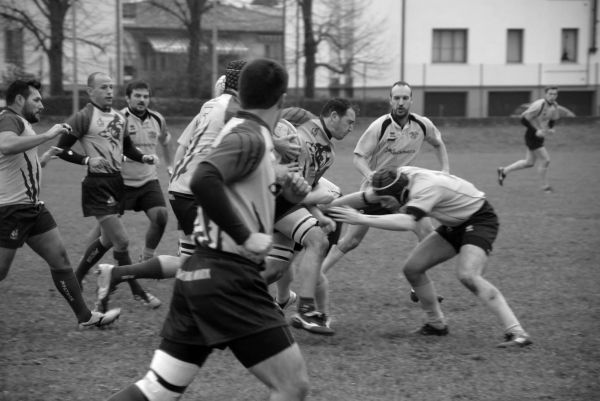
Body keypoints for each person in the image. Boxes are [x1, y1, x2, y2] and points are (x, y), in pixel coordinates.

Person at [105, 58, 311, 401]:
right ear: (282, 100)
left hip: (197, 273)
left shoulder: (241, 130)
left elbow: (240, 190)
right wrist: (246, 236)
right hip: (227, 277)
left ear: (239, 93)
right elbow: (204, 178)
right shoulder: (250, 137)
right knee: (292, 385)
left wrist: (284, 188)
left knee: (158, 390)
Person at [327, 166, 532, 348]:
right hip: (455, 224)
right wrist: (326, 207)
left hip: (479, 220)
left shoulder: (424, 189)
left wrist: (361, 218)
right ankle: (436, 325)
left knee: (468, 275)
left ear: (400, 193)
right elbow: (364, 198)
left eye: (386, 201)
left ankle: (517, 332)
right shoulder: (393, 182)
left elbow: (408, 222)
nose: (384, 204)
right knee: (413, 269)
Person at [0, 79, 120, 328]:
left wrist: (41, 161)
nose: (41, 105)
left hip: (32, 207)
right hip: (10, 209)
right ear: (20, 100)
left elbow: (17, 163)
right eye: (36, 100)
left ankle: (85, 317)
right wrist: (48, 134)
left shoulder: (20, 123)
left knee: (61, 260)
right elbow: (6, 145)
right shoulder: (9, 117)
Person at [320, 81, 449, 304]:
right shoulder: (379, 126)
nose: (400, 102)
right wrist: (370, 175)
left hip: (405, 192)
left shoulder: (422, 124)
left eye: (405, 98)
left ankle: (417, 285)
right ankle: (316, 275)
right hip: (375, 191)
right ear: (390, 100)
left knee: (427, 233)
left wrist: (445, 170)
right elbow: (358, 157)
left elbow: (438, 143)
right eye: (396, 98)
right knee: (351, 241)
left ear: (411, 100)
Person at [51, 72, 160, 312]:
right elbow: (60, 149)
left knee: (108, 240)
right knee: (121, 239)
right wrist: (86, 160)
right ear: (90, 91)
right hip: (97, 186)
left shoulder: (119, 118)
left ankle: (77, 279)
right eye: (103, 87)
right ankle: (137, 291)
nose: (109, 91)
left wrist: (144, 157)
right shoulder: (83, 117)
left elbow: (128, 147)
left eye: (111, 87)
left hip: (116, 182)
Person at [83, 80, 172, 310]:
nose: (142, 100)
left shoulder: (158, 119)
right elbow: (108, 147)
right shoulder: (117, 119)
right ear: (128, 98)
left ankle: (146, 258)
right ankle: (82, 271)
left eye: (146, 96)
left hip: (147, 181)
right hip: (120, 182)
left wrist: (170, 166)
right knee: (107, 236)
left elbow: (166, 141)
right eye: (138, 96)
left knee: (161, 215)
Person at [270, 98, 356, 336]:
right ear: (334, 116)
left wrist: (319, 214)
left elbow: (304, 189)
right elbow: (257, 124)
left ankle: (230, 299)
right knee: (317, 240)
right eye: (349, 122)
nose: (351, 128)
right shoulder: (300, 116)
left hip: (287, 203)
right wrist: (276, 142)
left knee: (275, 269)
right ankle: (306, 310)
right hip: (269, 194)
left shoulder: (329, 154)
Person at [497, 86, 560, 193]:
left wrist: (551, 128)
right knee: (546, 160)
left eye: (554, 94)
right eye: (550, 94)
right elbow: (523, 119)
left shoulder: (554, 106)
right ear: (545, 94)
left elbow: (552, 120)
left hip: (540, 136)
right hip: (532, 135)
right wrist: (536, 130)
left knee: (529, 163)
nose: (552, 96)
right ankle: (545, 187)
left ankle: (504, 171)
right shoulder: (539, 105)